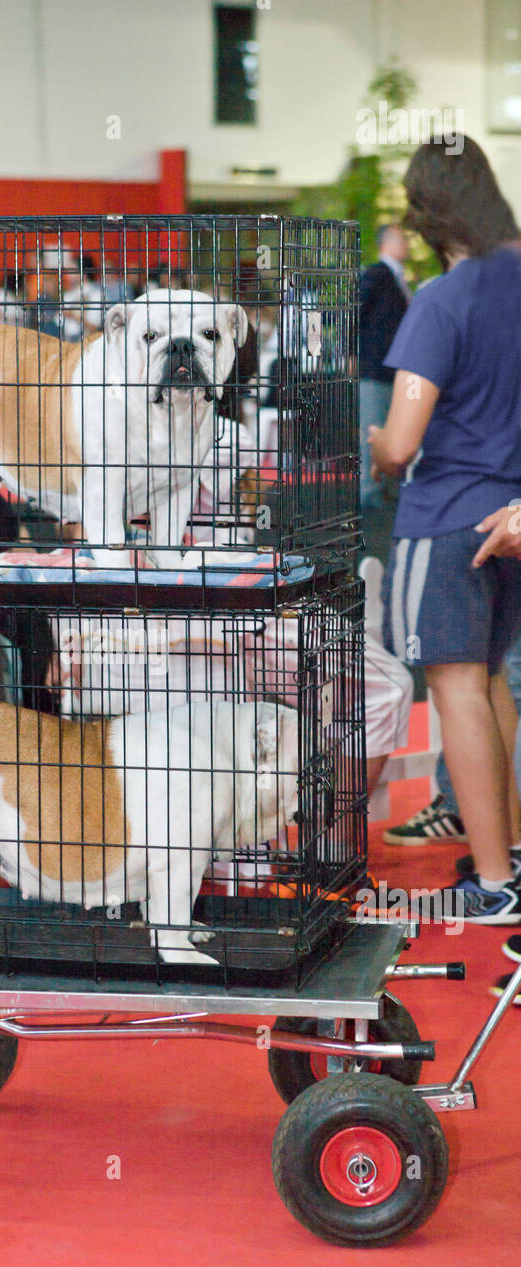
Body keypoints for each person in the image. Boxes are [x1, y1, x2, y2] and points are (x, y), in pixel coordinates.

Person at [369, 135, 521, 926]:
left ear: (425, 209)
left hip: (447, 519)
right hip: (510, 520)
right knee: (492, 683)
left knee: (457, 690)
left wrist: (371, 445)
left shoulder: (441, 299)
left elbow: (399, 444)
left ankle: (494, 882)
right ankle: (510, 858)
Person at [359, 224, 412, 510]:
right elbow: (355, 311)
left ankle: (385, 487)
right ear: (388, 243)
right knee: (373, 429)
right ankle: (370, 490)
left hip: (391, 370)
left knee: (390, 429)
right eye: (403, 238)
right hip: (376, 367)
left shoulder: (395, 278)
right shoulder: (377, 274)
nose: (408, 244)